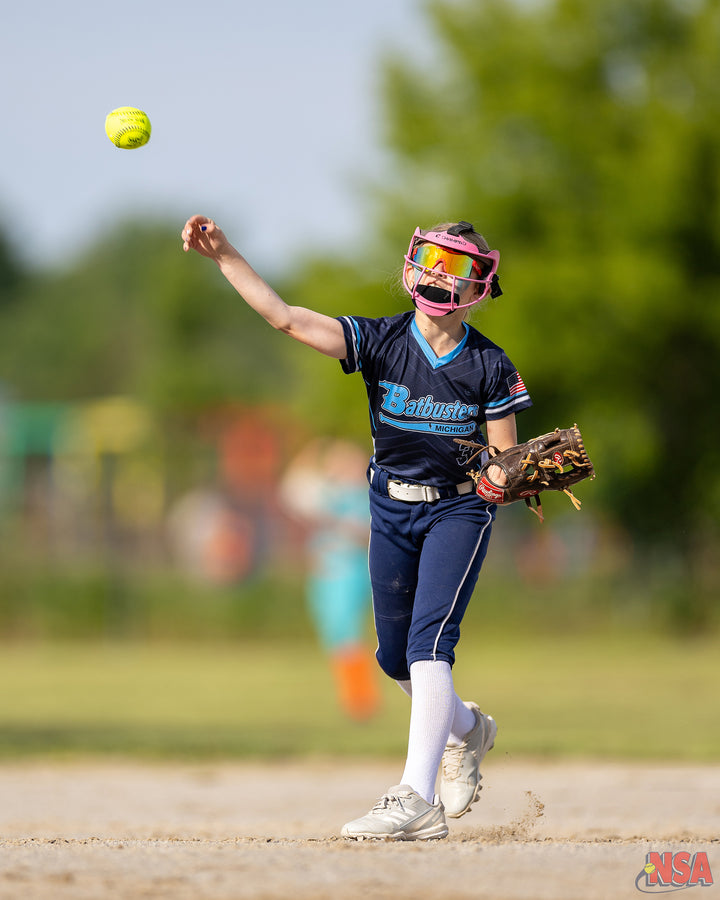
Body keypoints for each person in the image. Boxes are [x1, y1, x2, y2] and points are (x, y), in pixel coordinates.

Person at [181, 215, 532, 841]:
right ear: (411, 265)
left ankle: (414, 800)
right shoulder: (381, 340)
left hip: (458, 508)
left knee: (429, 649)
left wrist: (507, 477)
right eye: (430, 259)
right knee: (395, 658)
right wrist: (226, 254)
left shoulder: (489, 365)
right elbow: (287, 317)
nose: (437, 274)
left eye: (455, 266)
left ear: (480, 283)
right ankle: (470, 731)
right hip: (389, 506)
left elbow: (504, 456)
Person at [279, 437, 380, 721]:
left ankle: (361, 700)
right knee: (334, 635)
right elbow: (293, 487)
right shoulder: (329, 494)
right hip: (325, 573)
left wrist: (339, 525)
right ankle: (354, 696)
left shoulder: (364, 496)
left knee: (346, 633)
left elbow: (367, 535)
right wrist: (310, 450)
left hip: (349, 572)